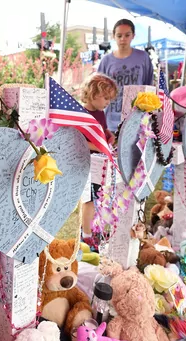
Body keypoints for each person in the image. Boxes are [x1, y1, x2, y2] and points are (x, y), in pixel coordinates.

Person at [79, 73, 118, 251]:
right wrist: (97, 145)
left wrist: (108, 134)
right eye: (106, 98)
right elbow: (77, 141)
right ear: (93, 94)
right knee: (89, 200)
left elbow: (101, 130)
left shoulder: (100, 113)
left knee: (99, 198)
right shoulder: (81, 114)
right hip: (84, 162)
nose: (108, 102)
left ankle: (94, 230)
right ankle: (86, 235)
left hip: (98, 163)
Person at [97, 18, 154, 131]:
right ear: (114, 36)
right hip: (112, 120)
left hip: (137, 118)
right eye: (119, 36)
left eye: (127, 35)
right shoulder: (106, 61)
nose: (123, 39)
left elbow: (149, 86)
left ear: (133, 35)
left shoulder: (143, 58)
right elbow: (98, 90)